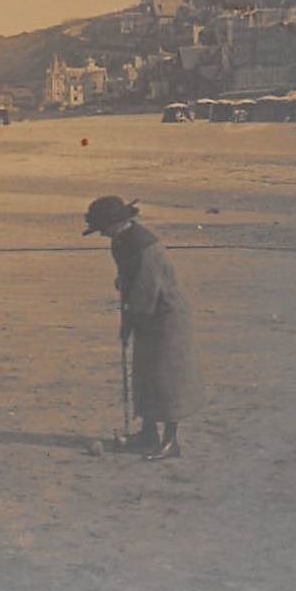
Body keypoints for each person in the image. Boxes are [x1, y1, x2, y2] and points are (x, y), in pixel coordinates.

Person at [82, 195, 204, 460]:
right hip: (145, 314)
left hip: (167, 317)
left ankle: (171, 443)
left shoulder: (145, 246)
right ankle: (148, 434)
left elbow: (146, 291)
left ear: (119, 222)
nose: (102, 233)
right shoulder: (120, 241)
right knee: (144, 374)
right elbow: (127, 280)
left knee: (167, 378)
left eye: (104, 227)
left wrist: (129, 323)